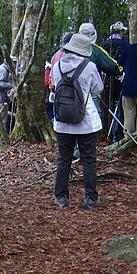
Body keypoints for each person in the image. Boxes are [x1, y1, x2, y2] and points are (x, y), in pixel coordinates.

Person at [51, 33, 104, 209]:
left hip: (62, 121)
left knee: (63, 159)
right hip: (85, 121)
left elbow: (54, 85)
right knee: (88, 159)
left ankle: (61, 197)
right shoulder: (89, 67)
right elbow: (98, 88)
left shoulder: (57, 66)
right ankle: (90, 197)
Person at [79, 22, 121, 129]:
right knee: (91, 126)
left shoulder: (69, 51)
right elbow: (112, 66)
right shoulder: (95, 50)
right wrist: (121, 71)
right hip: (91, 95)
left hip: (70, 94)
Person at [102, 21, 130, 142]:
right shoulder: (126, 45)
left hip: (106, 79)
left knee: (107, 105)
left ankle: (105, 130)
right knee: (119, 106)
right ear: (121, 31)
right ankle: (117, 134)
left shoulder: (104, 44)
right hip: (120, 78)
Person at [0, 55, 17, 143]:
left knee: (2, 119)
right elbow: (0, 83)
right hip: (1, 98)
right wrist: (12, 86)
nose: (15, 65)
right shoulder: (3, 69)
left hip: (2, 97)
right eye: (14, 63)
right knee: (1, 120)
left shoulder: (5, 69)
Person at [44, 60, 54, 125]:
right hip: (50, 94)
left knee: (49, 113)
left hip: (48, 95)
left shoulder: (48, 69)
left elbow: (46, 83)